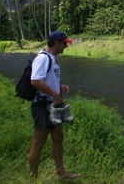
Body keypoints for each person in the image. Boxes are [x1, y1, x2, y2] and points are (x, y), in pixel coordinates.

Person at [28, 30, 79, 180]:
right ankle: (33, 178)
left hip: (53, 106)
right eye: (64, 43)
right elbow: (36, 81)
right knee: (39, 142)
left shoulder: (53, 58)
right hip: (43, 106)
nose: (66, 46)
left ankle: (61, 173)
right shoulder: (43, 58)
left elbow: (46, 79)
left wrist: (59, 86)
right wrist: (55, 94)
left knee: (58, 137)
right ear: (56, 43)